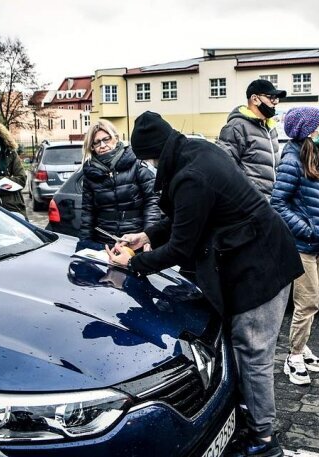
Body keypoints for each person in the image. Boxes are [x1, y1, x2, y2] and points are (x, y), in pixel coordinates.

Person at [106, 111, 304, 457]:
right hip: (255, 258)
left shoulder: (191, 175)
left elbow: (181, 246)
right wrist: (147, 235)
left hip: (263, 267)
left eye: (148, 159)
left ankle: (264, 441)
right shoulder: (195, 150)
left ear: (154, 152)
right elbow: (187, 215)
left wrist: (133, 263)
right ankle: (247, 416)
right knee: (241, 346)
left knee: (252, 352)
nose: (150, 167)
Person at [270, 107, 319, 386]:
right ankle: (294, 356)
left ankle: (303, 346)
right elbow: (277, 204)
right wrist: (306, 228)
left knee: (313, 302)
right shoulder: (291, 160)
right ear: (307, 130)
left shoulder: (317, 156)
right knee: (306, 303)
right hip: (302, 245)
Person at [78, 119, 159, 249]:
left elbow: (153, 201)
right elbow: (88, 212)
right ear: (91, 146)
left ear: (115, 138)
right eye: (97, 142)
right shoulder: (90, 174)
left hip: (135, 239)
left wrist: (148, 236)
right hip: (105, 241)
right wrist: (84, 243)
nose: (103, 145)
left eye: (107, 139)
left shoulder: (136, 164)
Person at [216, 79, 286, 197]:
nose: (275, 102)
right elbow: (224, 169)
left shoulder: (270, 128)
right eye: (271, 97)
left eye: (277, 98)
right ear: (254, 99)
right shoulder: (236, 127)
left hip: (271, 202)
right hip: (250, 204)